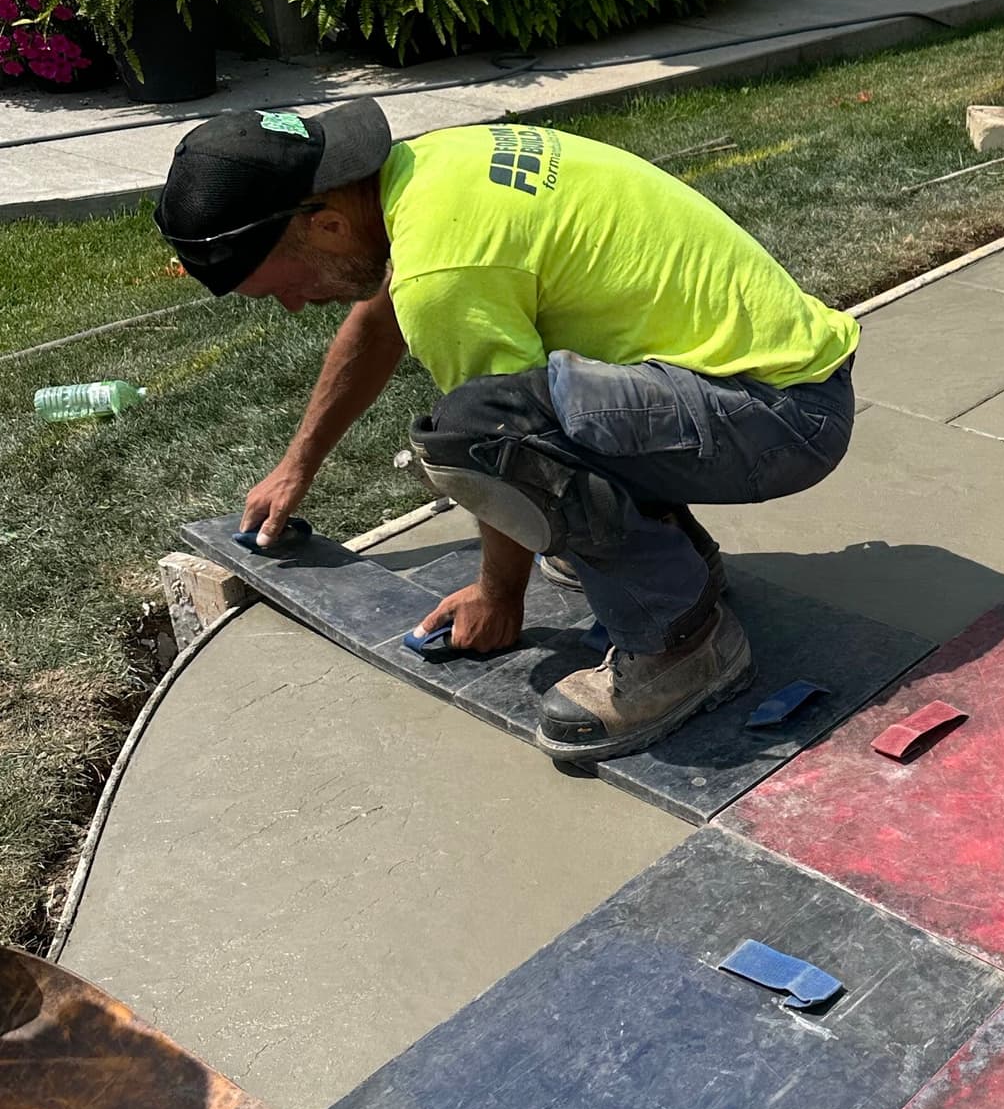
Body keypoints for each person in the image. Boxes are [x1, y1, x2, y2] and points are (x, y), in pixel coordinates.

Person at [156, 100, 858, 763]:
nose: (291, 305)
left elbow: (501, 442)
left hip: (778, 421)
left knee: (476, 433)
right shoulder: (424, 176)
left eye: (281, 284)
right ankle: (675, 562)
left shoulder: (444, 268)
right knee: (520, 440)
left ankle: (681, 643)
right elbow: (379, 322)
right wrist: (297, 464)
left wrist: (499, 594)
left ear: (328, 226)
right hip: (755, 389)